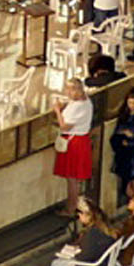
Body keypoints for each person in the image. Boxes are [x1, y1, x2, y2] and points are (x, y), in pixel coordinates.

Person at [52, 79, 94, 213]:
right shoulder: (83, 100)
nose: (67, 92)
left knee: (72, 178)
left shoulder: (79, 106)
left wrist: (57, 111)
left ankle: (70, 208)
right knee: (73, 178)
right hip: (79, 141)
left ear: (77, 90)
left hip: (75, 143)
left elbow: (64, 126)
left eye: (70, 89)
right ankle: (72, 205)